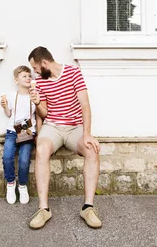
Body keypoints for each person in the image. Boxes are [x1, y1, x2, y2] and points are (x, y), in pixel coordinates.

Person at [27, 46, 102, 229]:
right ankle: (43, 209)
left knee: (92, 150)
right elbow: (44, 114)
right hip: (52, 127)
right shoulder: (41, 82)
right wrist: (37, 103)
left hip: (75, 127)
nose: (35, 72)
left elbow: (85, 105)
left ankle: (88, 208)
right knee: (42, 149)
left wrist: (86, 134)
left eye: (36, 68)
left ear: (44, 63)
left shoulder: (73, 73)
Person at [0, 65, 41, 204]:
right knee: (7, 156)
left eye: (29, 76)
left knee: (24, 161)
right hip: (13, 131)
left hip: (28, 133)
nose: (28, 78)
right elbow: (8, 114)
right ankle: (10, 183)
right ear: (16, 80)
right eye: (24, 76)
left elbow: (39, 115)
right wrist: (5, 106)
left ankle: (22, 185)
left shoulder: (34, 95)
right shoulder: (12, 96)